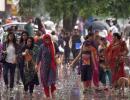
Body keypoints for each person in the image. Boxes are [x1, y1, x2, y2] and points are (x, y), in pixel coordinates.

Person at [36, 34, 57, 99]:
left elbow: (58, 52)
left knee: (52, 80)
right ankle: (47, 95)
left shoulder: (53, 45)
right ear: (44, 39)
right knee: (45, 81)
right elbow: (39, 56)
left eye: (48, 39)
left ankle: (53, 92)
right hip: (44, 67)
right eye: (46, 39)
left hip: (52, 66)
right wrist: (37, 64)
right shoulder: (42, 46)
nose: (47, 40)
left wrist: (57, 56)